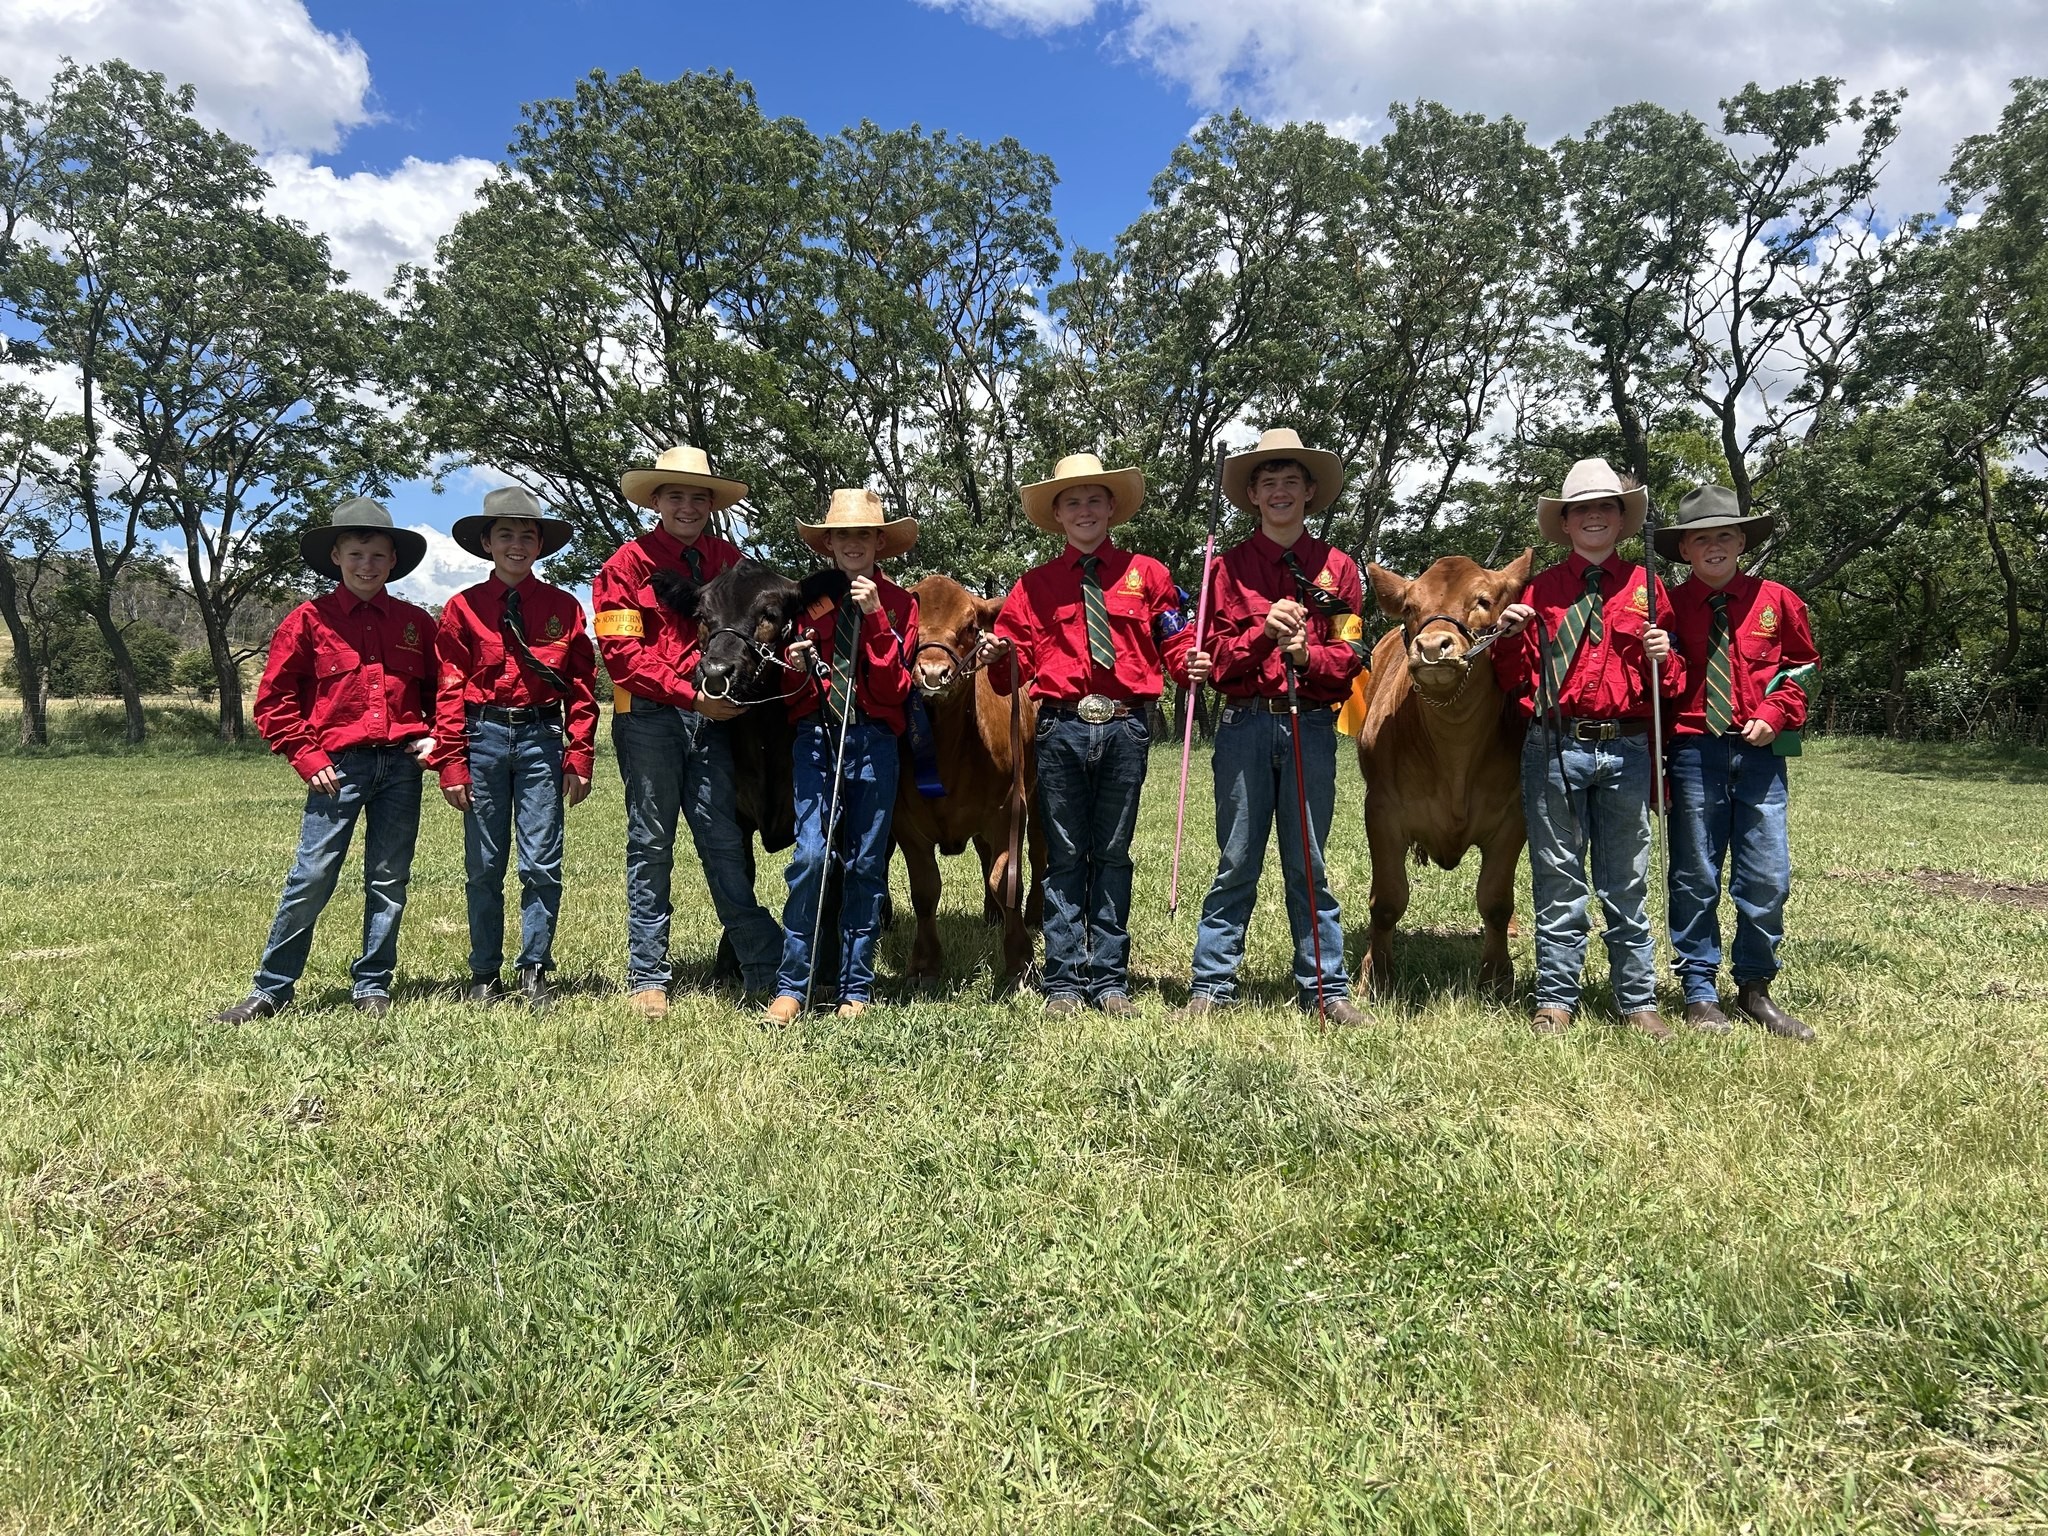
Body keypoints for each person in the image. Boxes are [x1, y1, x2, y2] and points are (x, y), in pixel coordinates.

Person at [981, 453, 1190, 1015]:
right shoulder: (1032, 587)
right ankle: (1065, 979)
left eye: (1094, 499)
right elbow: (1008, 669)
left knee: (1114, 853)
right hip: (1061, 728)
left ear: (1112, 508)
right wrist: (999, 654)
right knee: (1066, 854)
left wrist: (1191, 661)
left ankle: (1110, 978)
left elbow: (1175, 641)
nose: (1084, 510)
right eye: (1072, 501)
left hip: (1125, 726)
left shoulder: (1149, 575)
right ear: (1056, 514)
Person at [212, 499, 437, 1023]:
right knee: (312, 875)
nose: (368, 564)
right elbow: (274, 700)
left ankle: (373, 983)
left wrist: (434, 738)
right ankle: (272, 988)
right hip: (335, 768)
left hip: (400, 769)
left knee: (389, 878)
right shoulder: (308, 621)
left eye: (379, 555)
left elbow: (440, 690)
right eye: (356, 553)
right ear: (336, 555)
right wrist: (305, 755)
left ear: (393, 562)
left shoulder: (413, 623)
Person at [1176, 428, 1370, 1026]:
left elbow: (1352, 658)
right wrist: (1264, 635)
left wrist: (1307, 655)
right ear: (1253, 496)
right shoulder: (1224, 570)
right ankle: (1211, 984)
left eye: (1291, 481)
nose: (1280, 491)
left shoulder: (1340, 570)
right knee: (1237, 857)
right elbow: (1213, 660)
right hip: (1244, 726)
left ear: (1310, 492)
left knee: (1308, 859)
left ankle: (1325, 988)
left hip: (1311, 724)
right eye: (1268, 483)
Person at [1495, 458, 1685, 1039]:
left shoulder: (1649, 590)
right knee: (1558, 875)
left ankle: (1637, 998)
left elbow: (1672, 685)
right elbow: (1513, 678)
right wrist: (1505, 634)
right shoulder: (1541, 591)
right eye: (1582, 510)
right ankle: (1555, 998)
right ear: (1567, 522)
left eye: (1605, 507)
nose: (1594, 517)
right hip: (1554, 743)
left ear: (1622, 519)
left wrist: (1664, 657)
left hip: (1625, 746)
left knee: (1626, 877)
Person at [593, 444, 784, 1019]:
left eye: (698, 497)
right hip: (650, 716)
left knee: (722, 839)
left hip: (716, 714)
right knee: (651, 842)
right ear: (656, 500)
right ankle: (648, 974)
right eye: (675, 495)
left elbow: (764, 620)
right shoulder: (624, 567)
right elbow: (621, 656)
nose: (687, 506)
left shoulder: (732, 561)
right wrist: (689, 696)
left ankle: (760, 962)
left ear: (711, 504)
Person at [1658, 484, 1820, 1041]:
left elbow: (1802, 669)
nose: (1714, 547)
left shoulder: (1778, 600)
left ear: (1742, 541)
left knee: (1768, 878)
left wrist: (1775, 714)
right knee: (1695, 875)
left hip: (1761, 758)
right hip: (1694, 752)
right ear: (1685, 550)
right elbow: (1661, 686)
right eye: (1701, 539)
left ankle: (1754, 988)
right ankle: (1699, 992)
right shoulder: (1668, 607)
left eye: (1725, 535)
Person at [432, 486, 598, 1009]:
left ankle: (534, 969)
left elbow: (583, 687)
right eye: (505, 534)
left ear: (541, 545)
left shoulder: (563, 608)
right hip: (481, 737)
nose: (517, 545)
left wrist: (579, 756)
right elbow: (449, 687)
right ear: (486, 542)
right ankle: (484, 973)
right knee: (484, 863)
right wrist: (451, 762)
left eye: (528, 535)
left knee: (542, 861)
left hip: (541, 738)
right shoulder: (462, 609)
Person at [763, 489, 919, 1024]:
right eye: (843, 535)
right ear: (828, 543)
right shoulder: (807, 601)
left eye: (864, 534)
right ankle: (793, 985)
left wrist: (875, 618)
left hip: (874, 740)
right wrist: (794, 659)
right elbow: (786, 688)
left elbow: (897, 687)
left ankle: (857, 987)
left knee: (866, 864)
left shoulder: (902, 604)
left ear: (879, 542)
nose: (853, 544)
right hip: (814, 736)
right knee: (810, 857)